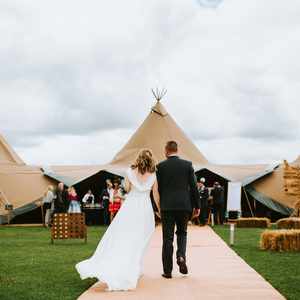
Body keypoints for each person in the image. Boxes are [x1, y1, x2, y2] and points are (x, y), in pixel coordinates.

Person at [76, 149, 158, 291]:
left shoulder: (130, 172)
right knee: (139, 239)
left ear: (139, 158)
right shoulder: (154, 175)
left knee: (123, 236)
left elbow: (126, 188)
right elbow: (156, 195)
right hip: (144, 209)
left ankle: (127, 267)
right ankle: (133, 268)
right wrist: (159, 210)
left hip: (130, 207)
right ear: (151, 159)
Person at [156, 141, 200, 279]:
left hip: (167, 206)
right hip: (184, 206)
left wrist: (157, 207)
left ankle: (167, 271)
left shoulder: (160, 167)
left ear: (166, 150)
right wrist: (197, 206)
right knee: (182, 233)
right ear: (177, 149)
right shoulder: (187, 165)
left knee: (167, 238)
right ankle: (181, 256)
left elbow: (158, 189)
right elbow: (194, 187)